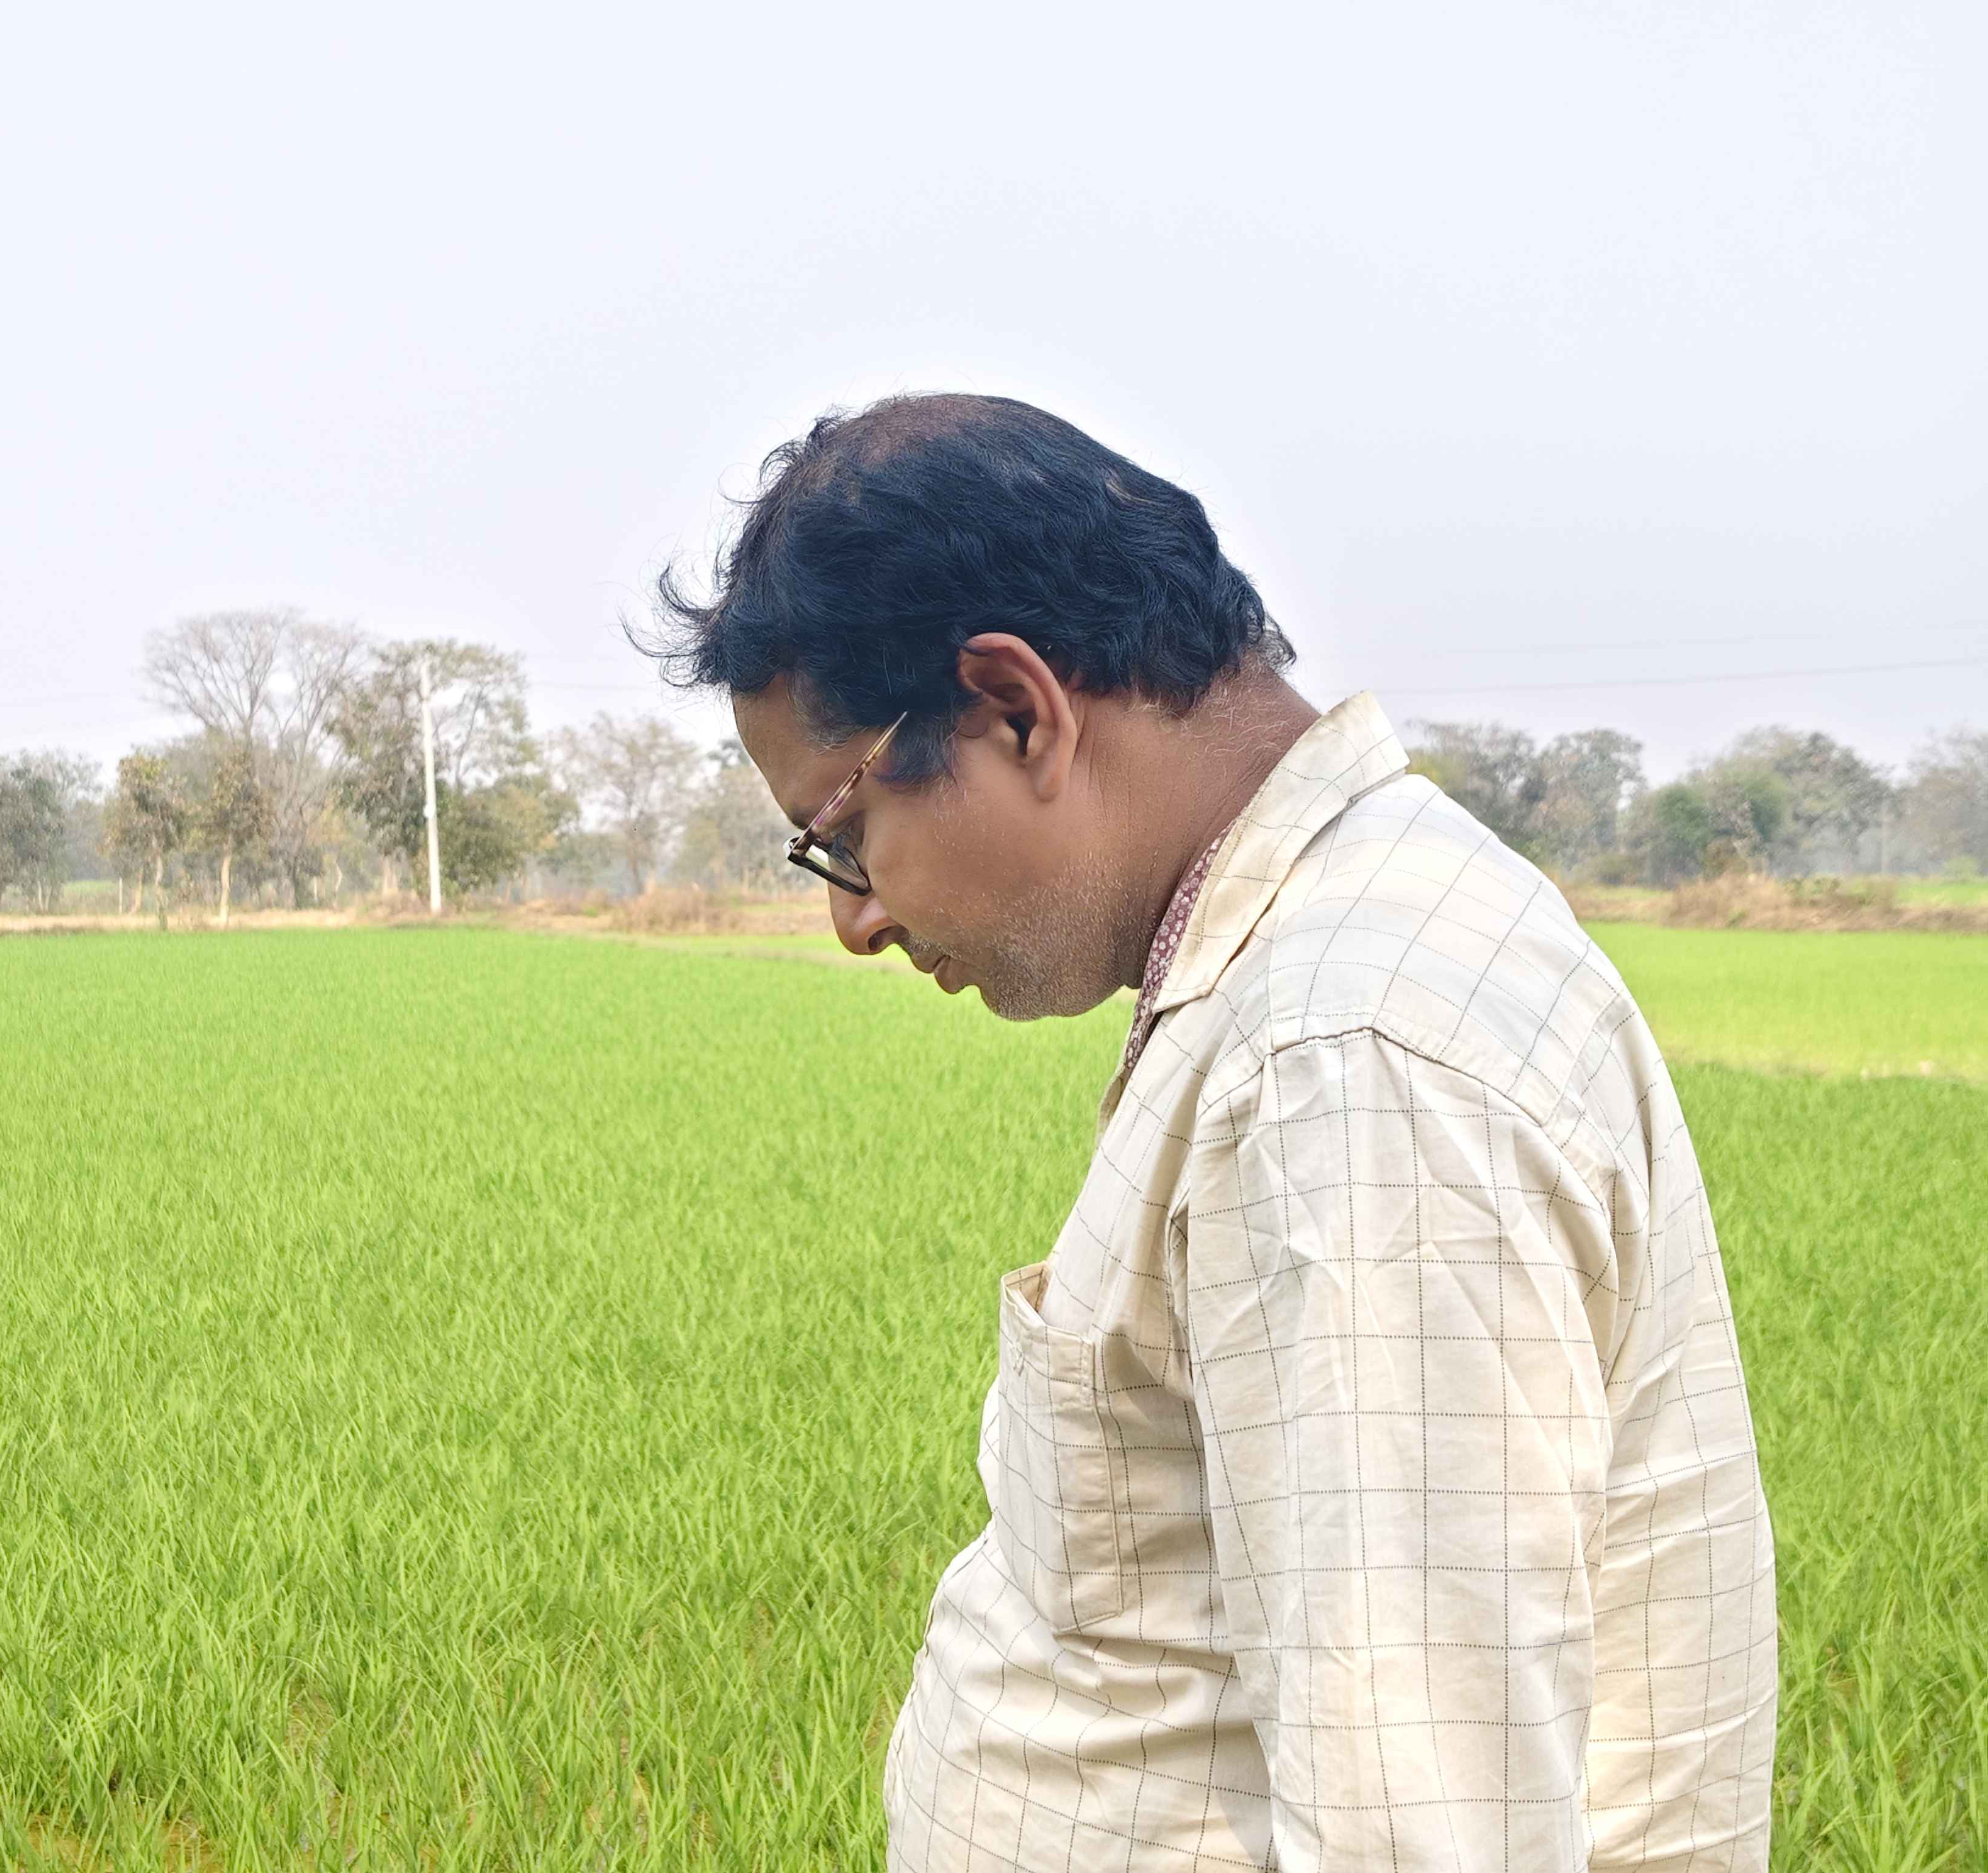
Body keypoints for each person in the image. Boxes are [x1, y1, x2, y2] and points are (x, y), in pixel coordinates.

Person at [639, 394, 1777, 1871]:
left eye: (843, 836)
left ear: (1014, 709)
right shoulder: (1321, 960)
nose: (851, 921)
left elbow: (1423, 1825)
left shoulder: (1345, 1061)